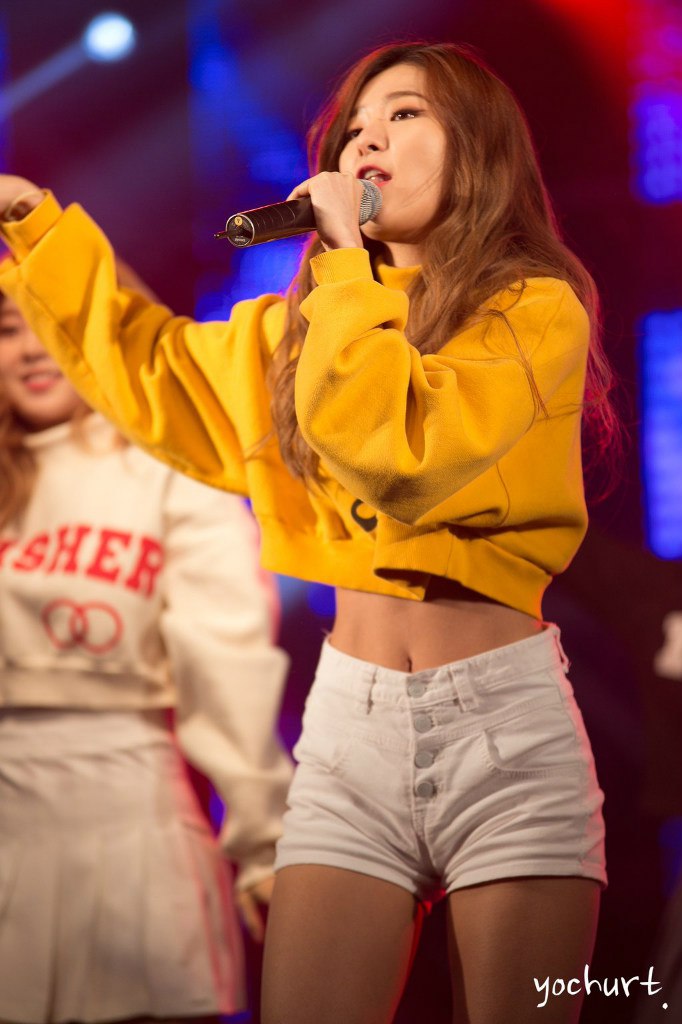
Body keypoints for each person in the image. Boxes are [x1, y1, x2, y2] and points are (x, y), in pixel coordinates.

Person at [0, 40, 617, 1024]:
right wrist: (33, 222)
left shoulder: (530, 310)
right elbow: (148, 368)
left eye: (404, 115)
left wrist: (339, 269)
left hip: (501, 731)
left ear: (479, 149)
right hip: (347, 731)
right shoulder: (297, 333)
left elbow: (401, 453)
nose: (366, 141)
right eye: (352, 130)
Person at [0, 280, 293, 1024]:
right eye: (7, 329)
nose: (31, 348)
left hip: (133, 826)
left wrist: (263, 840)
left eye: (49, 321)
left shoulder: (171, 466)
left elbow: (228, 662)